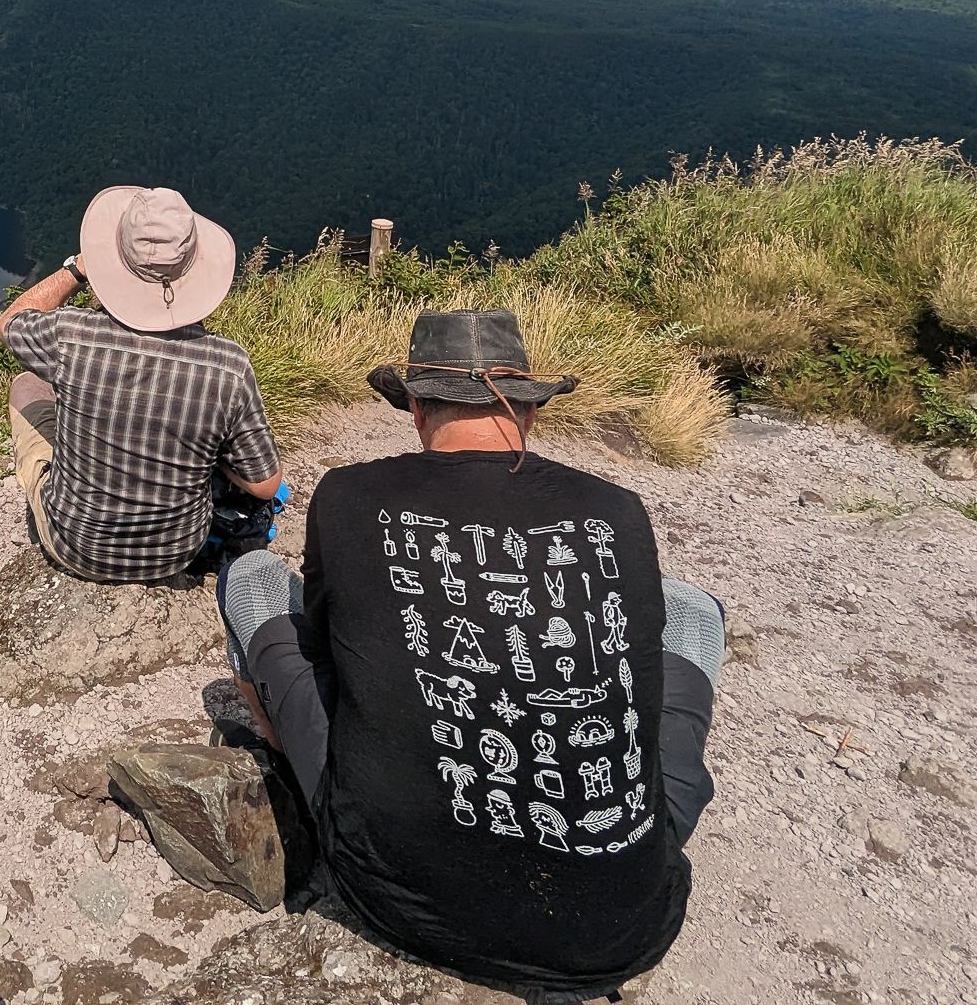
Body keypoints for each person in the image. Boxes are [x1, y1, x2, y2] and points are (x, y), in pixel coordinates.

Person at [215, 309, 724, 1005]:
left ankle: (286, 756)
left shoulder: (349, 494)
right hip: (622, 924)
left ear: (418, 407)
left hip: (395, 893)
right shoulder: (618, 510)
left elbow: (326, 639)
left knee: (254, 581)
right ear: (531, 411)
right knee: (692, 607)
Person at [0, 185, 285, 583]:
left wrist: (77, 268)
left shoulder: (71, 336)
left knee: (27, 386)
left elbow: (11, 321)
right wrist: (207, 447)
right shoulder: (228, 367)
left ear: (114, 262)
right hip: (174, 554)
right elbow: (266, 485)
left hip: (74, 546)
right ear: (193, 267)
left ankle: (63, 482)